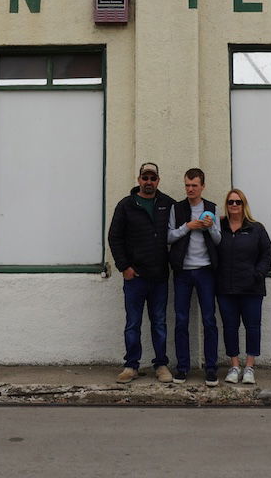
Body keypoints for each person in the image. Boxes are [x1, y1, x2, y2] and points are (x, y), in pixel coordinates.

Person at [107, 162, 175, 384]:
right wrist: (124, 267)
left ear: (158, 180)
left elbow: (184, 224)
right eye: (145, 178)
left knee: (159, 322)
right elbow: (114, 238)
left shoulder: (167, 204)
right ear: (139, 180)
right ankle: (131, 366)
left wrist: (215, 219)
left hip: (159, 277)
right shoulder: (126, 205)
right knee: (133, 323)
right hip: (134, 277)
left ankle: (161, 365)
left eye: (152, 178)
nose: (148, 182)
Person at [167, 167, 221, 386]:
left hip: (206, 271)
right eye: (187, 185)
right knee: (181, 320)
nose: (190, 189)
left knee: (209, 320)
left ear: (202, 186)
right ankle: (182, 368)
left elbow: (219, 240)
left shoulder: (212, 208)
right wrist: (187, 227)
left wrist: (209, 228)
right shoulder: (177, 208)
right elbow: (169, 237)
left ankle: (211, 369)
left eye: (194, 185)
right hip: (183, 271)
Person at [216, 187, 271, 385]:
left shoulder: (256, 228)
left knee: (252, 327)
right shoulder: (219, 228)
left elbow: (267, 254)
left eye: (237, 202)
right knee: (230, 327)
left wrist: (258, 274)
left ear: (243, 205)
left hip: (251, 288)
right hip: (226, 288)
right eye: (230, 202)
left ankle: (249, 367)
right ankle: (234, 366)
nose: (233, 205)